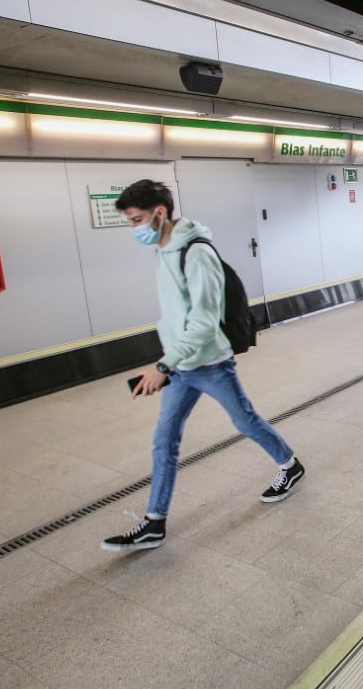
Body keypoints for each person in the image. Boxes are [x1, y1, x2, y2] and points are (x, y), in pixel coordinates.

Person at [101, 180, 303, 552]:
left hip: (209, 362)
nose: (134, 229)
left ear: (160, 214)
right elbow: (179, 315)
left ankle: (290, 465)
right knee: (165, 440)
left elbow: (205, 322)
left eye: (137, 220)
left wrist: (163, 366)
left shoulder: (196, 254)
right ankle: (154, 524)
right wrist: (171, 364)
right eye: (130, 221)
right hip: (181, 367)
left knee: (244, 420)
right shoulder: (163, 250)